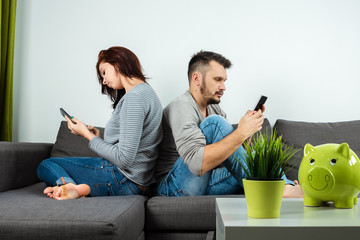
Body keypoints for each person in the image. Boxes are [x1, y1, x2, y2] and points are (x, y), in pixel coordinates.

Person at [154, 50, 303, 198]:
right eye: (218, 79)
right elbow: (196, 165)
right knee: (215, 124)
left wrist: (247, 131)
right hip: (172, 189)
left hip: (205, 181)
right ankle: (281, 191)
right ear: (196, 78)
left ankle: (284, 186)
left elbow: (232, 157)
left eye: (224, 81)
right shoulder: (181, 106)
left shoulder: (213, 108)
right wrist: (240, 132)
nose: (223, 87)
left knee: (257, 158)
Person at [37, 46, 163, 200]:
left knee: (46, 165)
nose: (103, 80)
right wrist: (97, 138)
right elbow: (131, 150)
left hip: (122, 179)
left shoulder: (134, 98)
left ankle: (68, 186)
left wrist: (86, 134)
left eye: (104, 72)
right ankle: (76, 189)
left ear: (117, 63)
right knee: (51, 166)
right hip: (136, 183)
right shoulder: (147, 93)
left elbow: (123, 160)